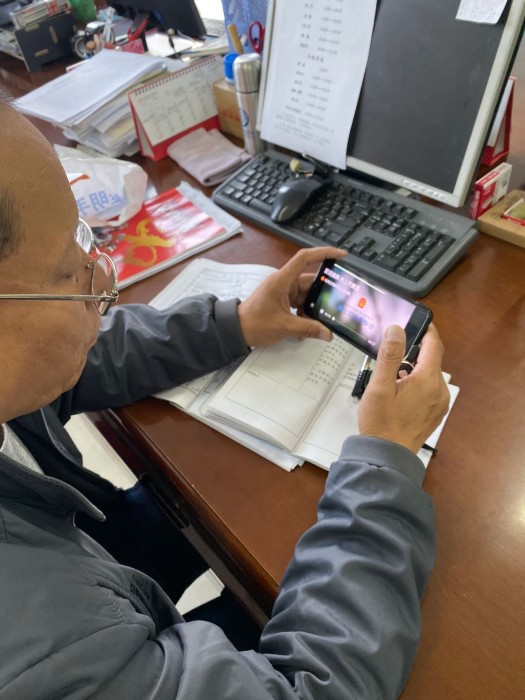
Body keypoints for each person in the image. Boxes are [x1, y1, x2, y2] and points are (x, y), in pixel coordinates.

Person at [0, 96, 450, 699]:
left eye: (85, 238)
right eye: (68, 269)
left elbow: (79, 355)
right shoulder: (36, 648)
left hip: (92, 554)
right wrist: (387, 461)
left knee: (207, 512)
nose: (102, 276)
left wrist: (234, 323)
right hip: (96, 620)